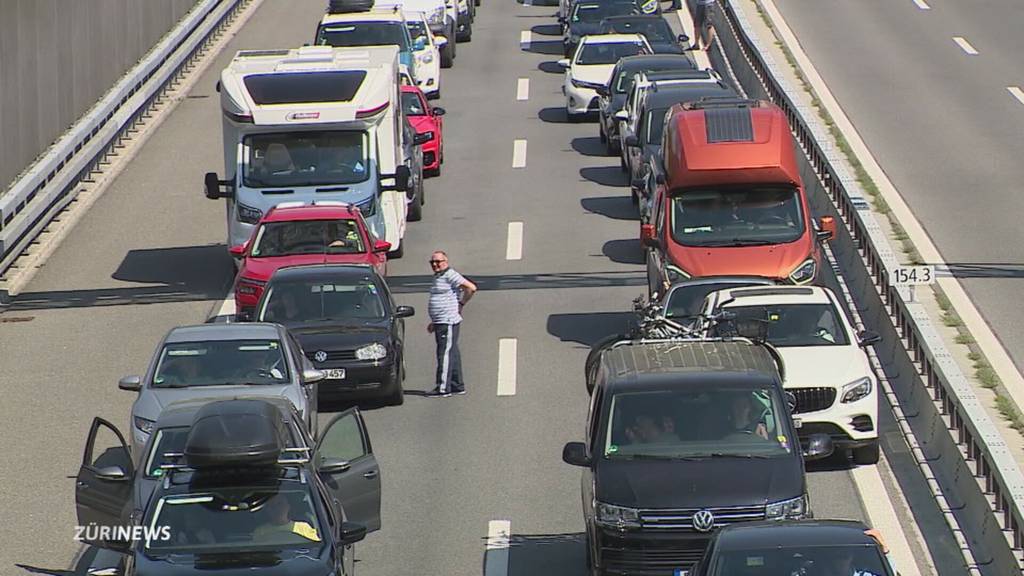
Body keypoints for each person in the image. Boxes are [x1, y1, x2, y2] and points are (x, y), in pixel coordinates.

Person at [426, 250, 477, 397]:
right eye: (432, 262)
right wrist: (434, 322)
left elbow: (471, 288)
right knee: (451, 351)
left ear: (446, 262)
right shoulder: (439, 276)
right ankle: (457, 385)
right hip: (440, 320)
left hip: (447, 320)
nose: (435, 264)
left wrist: (461, 303)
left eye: (438, 262)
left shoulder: (450, 274)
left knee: (445, 353)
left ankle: (443, 388)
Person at [250, 494, 320, 544]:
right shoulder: (260, 531)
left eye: (280, 504)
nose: (276, 508)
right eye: (271, 505)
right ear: (267, 510)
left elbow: (316, 545)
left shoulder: (303, 527)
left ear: (288, 507)